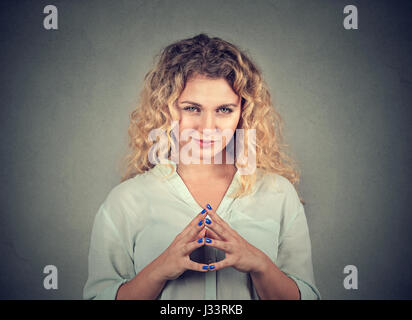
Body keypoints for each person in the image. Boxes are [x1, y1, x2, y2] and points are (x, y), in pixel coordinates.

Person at [83, 33, 321, 300]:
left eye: (224, 110)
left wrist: (260, 264)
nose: (208, 128)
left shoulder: (279, 194)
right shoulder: (126, 201)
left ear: (244, 110)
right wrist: (158, 270)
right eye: (192, 108)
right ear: (167, 108)